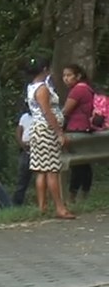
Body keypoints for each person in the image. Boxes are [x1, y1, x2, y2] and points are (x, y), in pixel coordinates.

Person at [25, 58, 74, 219]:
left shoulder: (31, 87)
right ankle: (60, 207)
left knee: (42, 170)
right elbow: (48, 112)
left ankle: (42, 206)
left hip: (37, 129)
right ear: (45, 68)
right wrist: (59, 132)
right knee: (52, 170)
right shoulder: (43, 88)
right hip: (46, 130)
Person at [61, 64, 95, 204]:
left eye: (69, 75)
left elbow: (65, 111)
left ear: (78, 76)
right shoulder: (87, 88)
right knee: (84, 164)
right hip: (87, 128)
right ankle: (83, 193)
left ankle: (72, 195)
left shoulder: (77, 90)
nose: (66, 79)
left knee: (77, 165)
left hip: (77, 129)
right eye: (64, 76)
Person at [13, 102, 35, 206]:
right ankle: (17, 203)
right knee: (22, 179)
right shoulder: (24, 117)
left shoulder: (42, 116)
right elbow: (18, 131)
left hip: (39, 148)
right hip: (26, 151)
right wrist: (22, 144)